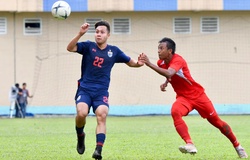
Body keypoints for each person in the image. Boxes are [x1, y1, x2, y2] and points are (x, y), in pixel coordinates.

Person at [139, 37, 248, 158]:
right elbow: (169, 75)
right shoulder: (161, 63)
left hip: (198, 96)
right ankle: (189, 143)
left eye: (161, 48)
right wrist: (166, 82)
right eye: (158, 48)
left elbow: (170, 72)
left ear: (169, 51)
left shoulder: (178, 60)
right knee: (175, 111)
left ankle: (238, 146)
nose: (158, 51)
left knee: (218, 123)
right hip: (183, 98)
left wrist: (149, 63)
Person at [67, 21, 144, 160]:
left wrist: (139, 64)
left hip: (101, 92)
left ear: (108, 35)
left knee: (102, 115)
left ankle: (98, 149)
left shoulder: (114, 51)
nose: (98, 34)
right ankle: (80, 135)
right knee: (81, 113)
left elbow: (130, 62)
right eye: (97, 32)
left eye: (102, 32)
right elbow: (70, 48)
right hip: (85, 89)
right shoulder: (88, 46)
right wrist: (80, 34)